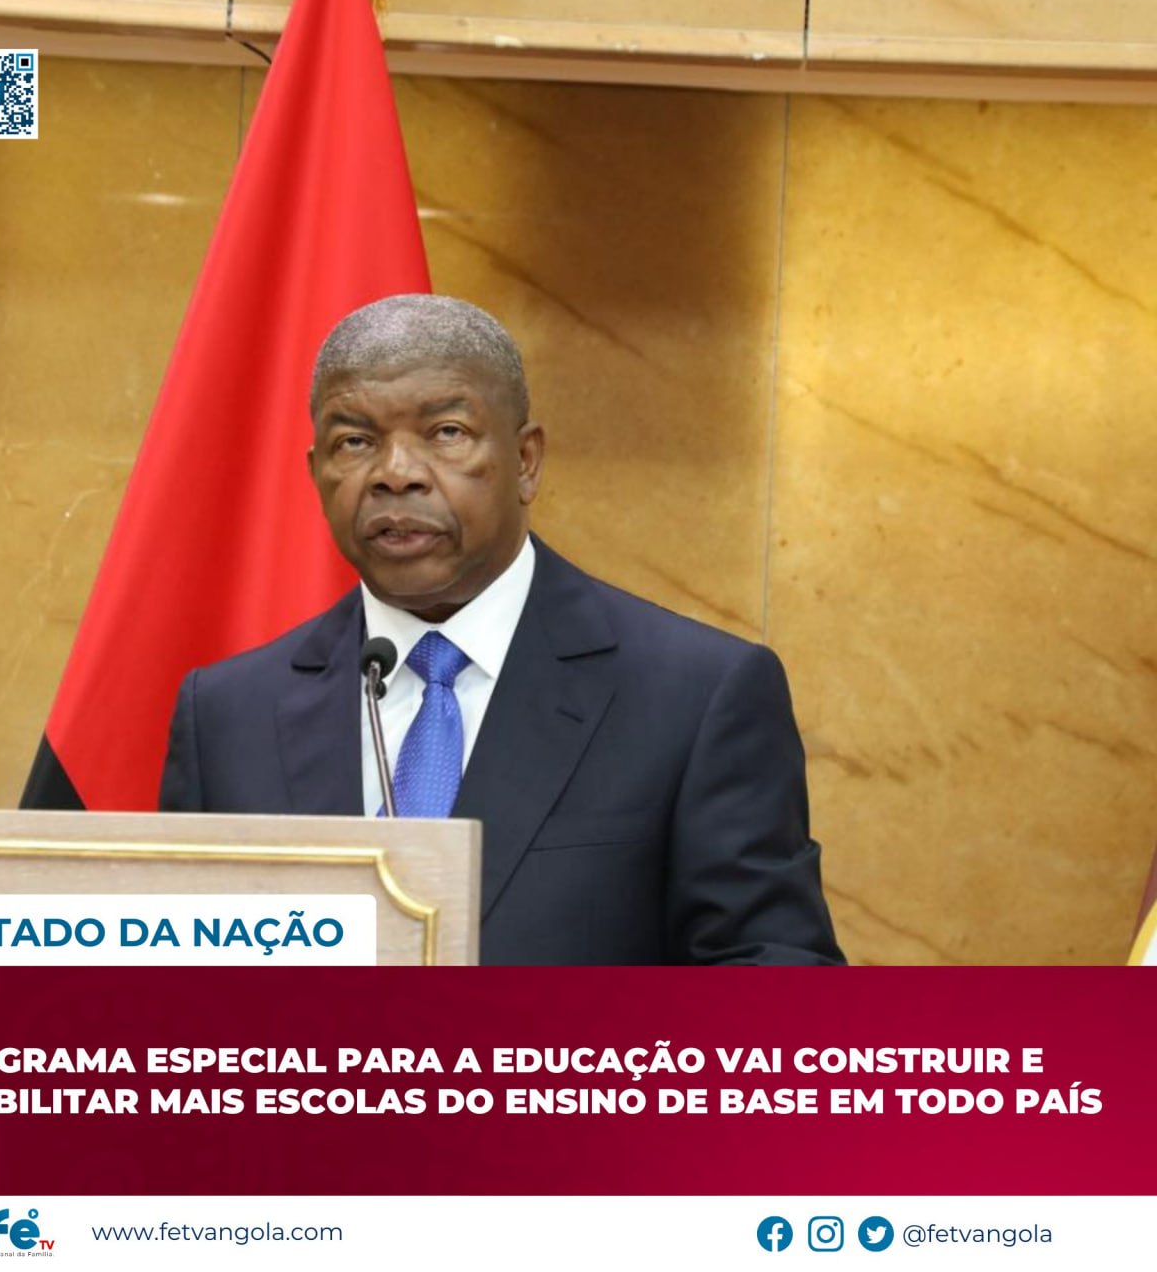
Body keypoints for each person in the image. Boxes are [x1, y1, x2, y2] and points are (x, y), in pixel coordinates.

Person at [160, 294, 843, 966]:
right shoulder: (227, 715)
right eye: (355, 442)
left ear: (525, 461)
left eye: (446, 433)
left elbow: (774, 984)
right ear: (316, 475)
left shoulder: (694, 696)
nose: (395, 474)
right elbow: (173, 986)